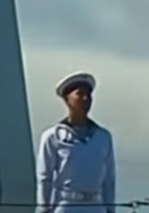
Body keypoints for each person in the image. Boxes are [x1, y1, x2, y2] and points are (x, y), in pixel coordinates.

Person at [36, 72, 115, 213]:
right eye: (80, 94)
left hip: (96, 206)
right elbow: (45, 177)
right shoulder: (53, 136)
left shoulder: (103, 137)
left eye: (88, 95)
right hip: (67, 205)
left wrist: (110, 209)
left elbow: (109, 178)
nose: (85, 99)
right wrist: (44, 208)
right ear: (67, 100)